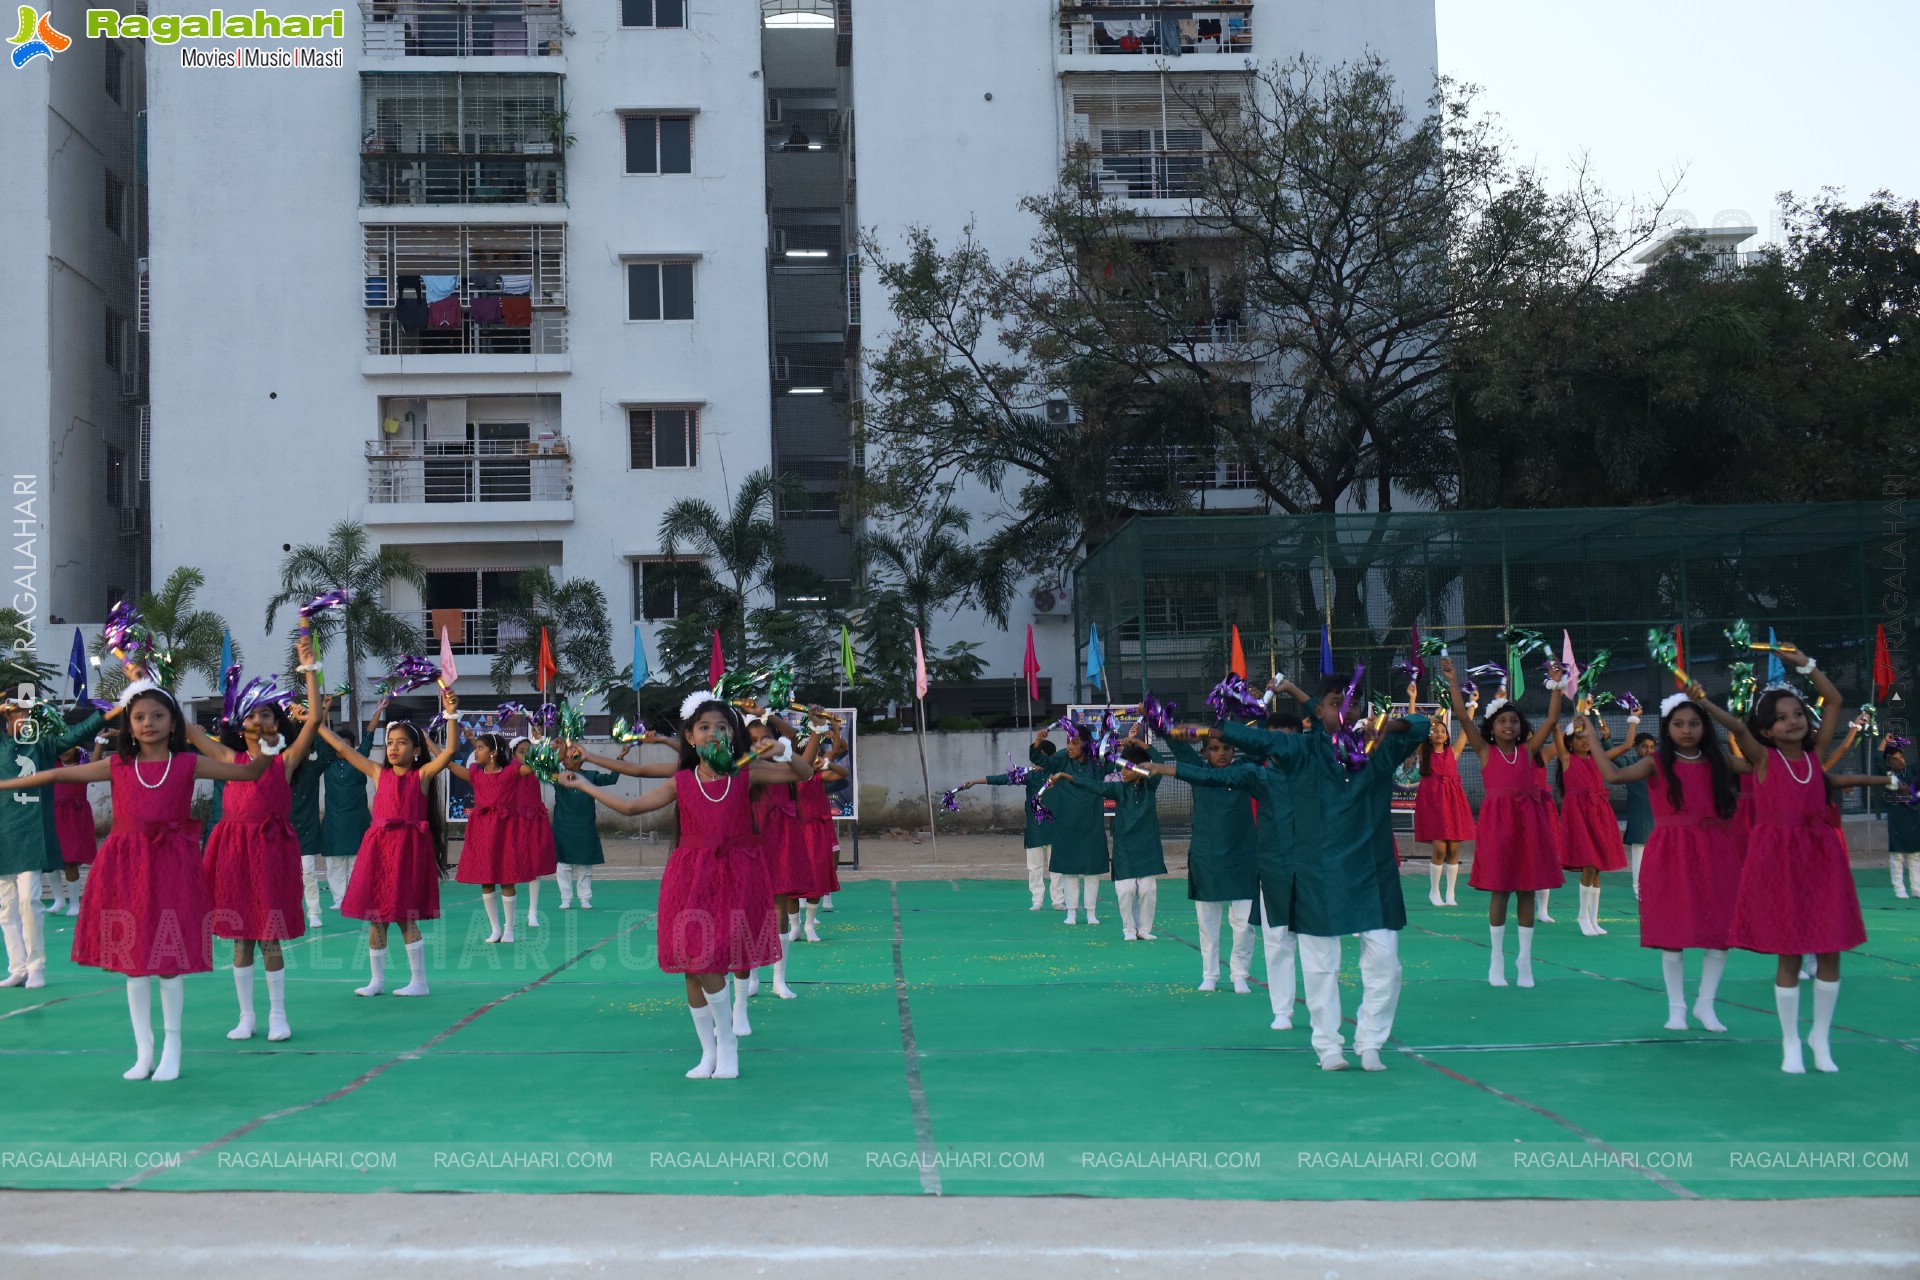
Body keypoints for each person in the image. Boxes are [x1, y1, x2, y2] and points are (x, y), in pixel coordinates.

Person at [1158, 676, 1430, 1072]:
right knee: (1321, 966)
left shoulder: (1379, 752)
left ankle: (1371, 1040)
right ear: (1317, 712)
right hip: (1318, 872)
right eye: (1337, 702)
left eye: (1353, 703)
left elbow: (1420, 727)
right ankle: (1328, 1045)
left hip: (1372, 875)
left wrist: (1386, 726)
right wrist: (1203, 729)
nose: (1346, 710)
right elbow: (1259, 742)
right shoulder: (1301, 750)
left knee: (1387, 965)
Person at [2, 683, 273, 1079]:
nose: (148, 723)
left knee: (167, 962)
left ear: (173, 723)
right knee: (134, 963)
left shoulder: (186, 763)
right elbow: (52, 775)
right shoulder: (116, 766)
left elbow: (249, 773)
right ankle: (143, 1052)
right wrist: (7, 784)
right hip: (125, 868)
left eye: (158, 716)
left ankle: (172, 1048)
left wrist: (269, 746)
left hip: (173, 867)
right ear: (129, 724)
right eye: (140, 717)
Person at [557, 690, 818, 1080]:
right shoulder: (683, 779)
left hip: (736, 875)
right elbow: (630, 807)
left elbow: (805, 774)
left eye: (722, 727)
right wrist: (582, 783)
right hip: (689, 877)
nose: (714, 733)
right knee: (691, 967)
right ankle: (708, 1052)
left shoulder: (745, 773)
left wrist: (783, 750)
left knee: (710, 959)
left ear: (732, 735)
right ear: (690, 737)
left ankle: (728, 1043)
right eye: (704, 727)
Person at [1702, 648, 1874, 1074]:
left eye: (1796, 713)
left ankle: (1821, 1036)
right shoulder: (1763, 760)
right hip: (1779, 862)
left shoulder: (1815, 757)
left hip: (1822, 858)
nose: (1792, 721)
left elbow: (1832, 701)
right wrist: (1703, 702)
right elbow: (1737, 726)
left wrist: (1808, 665)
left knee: (1831, 950)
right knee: (1790, 953)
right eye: (1781, 717)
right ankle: (1791, 1041)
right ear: (1766, 729)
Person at [1585, 695, 1742, 1032]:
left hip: (1715, 853)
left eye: (1695, 723)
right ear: (1667, 729)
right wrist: (1593, 738)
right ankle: (1676, 1008)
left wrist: (1714, 707)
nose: (1687, 730)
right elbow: (1612, 775)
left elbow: (1763, 762)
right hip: (1670, 853)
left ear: (1705, 727)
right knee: (1673, 931)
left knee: (1718, 931)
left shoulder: (1721, 761)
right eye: (1679, 724)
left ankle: (1705, 1004)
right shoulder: (1656, 762)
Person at [192, 647, 324, 1041]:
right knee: (240, 936)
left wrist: (310, 667)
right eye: (251, 714)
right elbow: (190, 732)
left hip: (270, 853)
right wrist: (144, 677)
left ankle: (278, 1015)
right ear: (240, 722)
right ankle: (246, 1016)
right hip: (233, 852)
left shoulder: (284, 762)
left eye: (267, 713)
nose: (259, 720)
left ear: (276, 722)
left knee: (270, 935)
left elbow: (315, 718)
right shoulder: (228, 758)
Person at [321, 691, 460, 999]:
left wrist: (450, 714)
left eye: (402, 743)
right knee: (376, 915)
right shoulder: (377, 773)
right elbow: (342, 747)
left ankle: (419, 981)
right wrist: (317, 721)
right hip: (378, 851)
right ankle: (376, 980)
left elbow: (450, 751)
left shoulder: (422, 776)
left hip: (408, 853)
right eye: (391, 742)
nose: (394, 747)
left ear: (415, 751)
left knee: (404, 915)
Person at [1443, 657, 1566, 988]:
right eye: (1502, 721)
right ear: (1492, 727)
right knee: (1500, 890)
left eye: (1514, 721)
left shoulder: (1528, 751)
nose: (1509, 726)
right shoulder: (1484, 751)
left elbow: (1553, 717)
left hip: (1529, 826)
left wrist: (1556, 684)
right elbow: (1460, 717)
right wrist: (1454, 682)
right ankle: (1496, 959)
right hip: (1498, 828)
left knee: (1527, 890)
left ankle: (1524, 962)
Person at [0, 691, 113, 990]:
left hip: (32, 835)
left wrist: (105, 714)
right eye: (15, 715)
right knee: (6, 907)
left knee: (29, 900)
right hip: (3, 835)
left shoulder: (42, 745)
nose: (21, 720)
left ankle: (36, 967)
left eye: (26, 714)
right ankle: (18, 967)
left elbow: (76, 734)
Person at [1158, 727, 1258, 994]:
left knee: (1244, 924)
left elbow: (1262, 744)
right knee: (1207, 923)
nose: (1222, 753)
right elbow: (1179, 748)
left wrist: (1250, 710)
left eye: (1227, 748)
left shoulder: (1246, 771)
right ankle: (1210, 974)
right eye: (1214, 748)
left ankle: (1240, 975)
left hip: (1243, 856)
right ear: (1204, 753)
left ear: (1235, 750)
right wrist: (1159, 724)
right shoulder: (1197, 772)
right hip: (1207, 856)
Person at [1053, 735, 1166, 941]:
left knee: (1148, 890)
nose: (1122, 772)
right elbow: (1093, 786)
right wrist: (1068, 777)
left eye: (1126, 768)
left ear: (1140, 770)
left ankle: (1144, 930)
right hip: (1124, 848)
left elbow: (1161, 762)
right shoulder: (1118, 789)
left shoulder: (1150, 786)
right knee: (1126, 891)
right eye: (1121, 767)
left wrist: (1141, 744)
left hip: (1148, 847)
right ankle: (1129, 931)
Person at [447, 727, 547, 944]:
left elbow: (536, 765)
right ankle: (494, 929)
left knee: (507, 879)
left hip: (507, 830)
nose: (476, 752)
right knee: (487, 880)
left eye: (480, 748)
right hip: (482, 832)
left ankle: (508, 928)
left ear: (492, 752)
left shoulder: (511, 772)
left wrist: (540, 743)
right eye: (477, 748)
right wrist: (429, 744)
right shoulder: (475, 773)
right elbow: (449, 763)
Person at [957, 739, 1058, 910]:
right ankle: (1037, 900)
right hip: (1035, 828)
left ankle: (1058, 900)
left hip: (1056, 827)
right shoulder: (1030, 775)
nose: (1035, 762)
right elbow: (1003, 779)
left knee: (1057, 866)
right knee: (1034, 867)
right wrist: (975, 781)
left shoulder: (1058, 775)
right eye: (1033, 759)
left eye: (1039, 758)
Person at [1553, 716, 1629, 936]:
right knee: (1588, 864)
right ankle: (1582, 916)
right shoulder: (1567, 759)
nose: (1584, 741)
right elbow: (1555, 730)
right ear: (1570, 742)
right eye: (1579, 737)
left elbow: (1626, 745)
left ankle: (1594, 919)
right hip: (1578, 816)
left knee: (1596, 869)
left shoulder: (1599, 759)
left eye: (1587, 737)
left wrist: (1632, 720)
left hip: (1599, 815)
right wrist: (1557, 694)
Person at [317, 695, 388, 911]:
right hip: (334, 821)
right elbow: (319, 731)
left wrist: (379, 710)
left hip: (357, 819)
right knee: (335, 863)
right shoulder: (326, 762)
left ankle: (357, 897)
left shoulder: (361, 760)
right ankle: (339, 899)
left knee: (359, 861)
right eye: (338, 745)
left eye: (346, 745)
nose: (341, 749)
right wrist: (325, 707)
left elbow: (369, 735)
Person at [1040, 724, 1110, 925]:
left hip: (1092, 826)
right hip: (1067, 826)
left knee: (1091, 873)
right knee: (1069, 872)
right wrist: (1038, 742)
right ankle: (1070, 913)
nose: (1070, 746)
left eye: (1075, 742)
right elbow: (1040, 759)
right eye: (1068, 742)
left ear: (1087, 744)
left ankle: (1091, 913)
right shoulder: (1062, 760)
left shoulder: (1097, 764)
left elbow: (1115, 762)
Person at [1412, 710, 1474, 907]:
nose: (1439, 733)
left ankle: (1450, 894)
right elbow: (1414, 727)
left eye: (1443, 731)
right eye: (1435, 730)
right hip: (1433, 803)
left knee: (1453, 849)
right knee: (1439, 849)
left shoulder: (1453, 751)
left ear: (1447, 736)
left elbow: (1466, 728)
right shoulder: (1424, 751)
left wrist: (1472, 707)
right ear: (1429, 736)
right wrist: (1412, 700)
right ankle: (1434, 891)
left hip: (1453, 801)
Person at [553, 742, 619, 909]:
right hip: (562, 826)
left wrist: (620, 758)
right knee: (563, 864)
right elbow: (546, 767)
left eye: (569, 757)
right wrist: (558, 750)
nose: (565, 761)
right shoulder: (557, 776)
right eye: (564, 758)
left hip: (585, 826)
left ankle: (585, 898)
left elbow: (612, 778)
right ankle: (565, 899)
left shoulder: (590, 776)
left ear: (580, 760)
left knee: (584, 864)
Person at [52, 740, 105, 918]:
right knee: (50, 861)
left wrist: (100, 741)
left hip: (74, 817)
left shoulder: (83, 767)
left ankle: (74, 902)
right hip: (53, 815)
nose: (64, 751)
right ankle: (58, 899)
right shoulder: (53, 765)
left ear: (76, 747)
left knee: (70, 860)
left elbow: (97, 762)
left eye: (68, 747)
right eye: (61, 748)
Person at [1879, 735, 1918, 898]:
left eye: (1901, 756)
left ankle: (1917, 888)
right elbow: (1877, 758)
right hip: (1897, 820)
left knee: (1916, 855)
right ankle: (1899, 889)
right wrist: (1884, 742)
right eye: (1895, 757)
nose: (1899, 760)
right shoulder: (1887, 776)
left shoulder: (1911, 773)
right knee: (1897, 857)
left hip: (1914, 819)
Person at [1621, 729, 1656, 898]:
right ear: (1635, 748)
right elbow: (1614, 759)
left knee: (1658, 857)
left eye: (1651, 747)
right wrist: (1606, 739)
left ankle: (1655, 886)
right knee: (1639, 858)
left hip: (1658, 818)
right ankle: (1638, 889)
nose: (1648, 750)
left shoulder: (1659, 765)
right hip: (1640, 818)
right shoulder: (1630, 762)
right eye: (1644, 747)